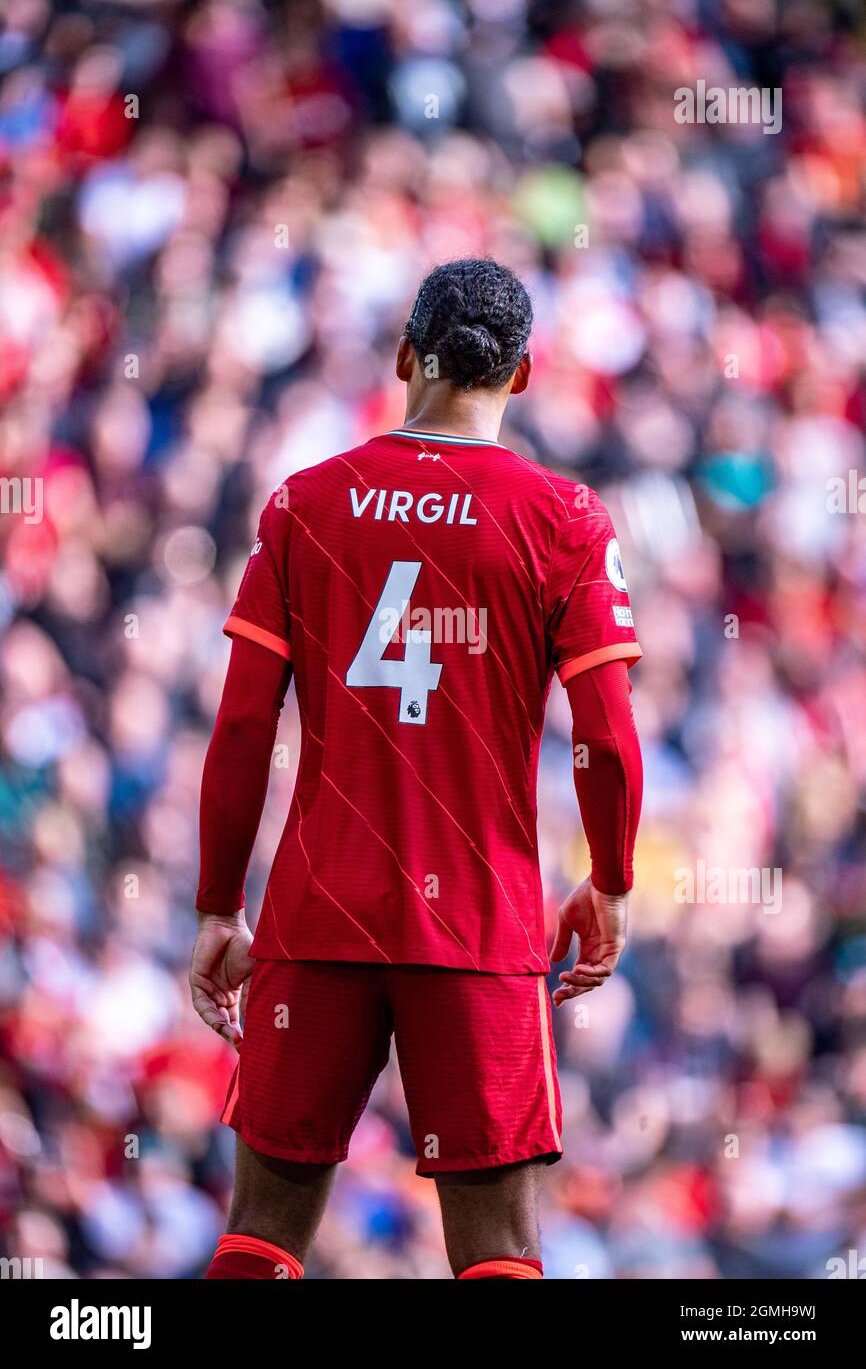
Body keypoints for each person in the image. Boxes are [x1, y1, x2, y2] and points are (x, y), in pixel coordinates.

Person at [190, 258, 643, 1281]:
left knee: (260, 1230)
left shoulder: (305, 504)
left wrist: (219, 905)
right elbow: (606, 737)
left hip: (318, 912)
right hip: (478, 925)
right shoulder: (561, 519)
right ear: (522, 377)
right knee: (497, 1250)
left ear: (404, 355)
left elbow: (241, 727)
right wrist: (608, 881)